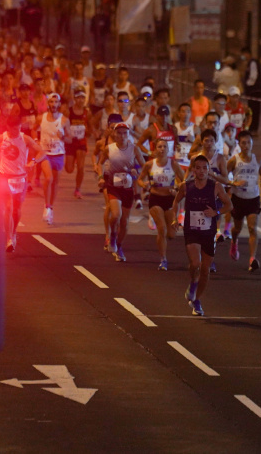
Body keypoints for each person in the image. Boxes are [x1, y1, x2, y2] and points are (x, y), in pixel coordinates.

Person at [172, 155, 233, 316]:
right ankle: (193, 284)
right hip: (191, 230)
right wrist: (175, 218)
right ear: (193, 170)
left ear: (208, 170)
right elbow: (176, 202)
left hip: (208, 232)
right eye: (198, 168)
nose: (201, 171)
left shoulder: (216, 186)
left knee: (205, 270)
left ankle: (197, 300)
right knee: (196, 263)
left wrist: (216, 212)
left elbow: (229, 205)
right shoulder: (186, 186)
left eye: (204, 168)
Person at [0, 111, 44, 252]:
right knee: (8, 207)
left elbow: (42, 152)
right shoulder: (1, 138)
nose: (16, 131)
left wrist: (33, 162)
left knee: (16, 210)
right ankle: (8, 239)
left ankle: (14, 231)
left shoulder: (25, 139)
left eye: (18, 128)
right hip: (4, 176)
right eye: (14, 129)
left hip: (20, 177)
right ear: (8, 127)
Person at [98, 122, 145, 261]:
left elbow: (145, 166)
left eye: (125, 133)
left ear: (128, 134)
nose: (122, 136)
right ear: (114, 134)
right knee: (116, 214)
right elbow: (100, 163)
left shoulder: (134, 149)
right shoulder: (109, 149)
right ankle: (112, 235)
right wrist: (101, 177)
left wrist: (136, 171)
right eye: (119, 133)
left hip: (128, 189)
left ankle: (119, 246)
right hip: (113, 186)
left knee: (124, 222)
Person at [138, 138, 184, 271]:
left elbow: (184, 181)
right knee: (162, 229)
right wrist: (144, 185)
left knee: (171, 234)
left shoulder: (173, 164)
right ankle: (163, 259)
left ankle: (166, 228)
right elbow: (140, 180)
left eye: (164, 146)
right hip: (155, 199)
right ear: (155, 149)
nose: (162, 149)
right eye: (159, 147)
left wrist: (176, 189)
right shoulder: (149, 164)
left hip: (170, 200)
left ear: (168, 149)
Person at [226, 131, 261, 271]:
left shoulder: (257, 160)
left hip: (253, 198)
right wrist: (233, 183)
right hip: (238, 199)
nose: (246, 145)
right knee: (237, 228)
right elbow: (224, 176)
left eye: (249, 142)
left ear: (252, 143)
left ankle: (252, 259)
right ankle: (234, 241)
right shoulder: (234, 160)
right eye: (243, 143)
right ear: (239, 144)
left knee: (252, 228)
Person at [38, 93, 69, 225]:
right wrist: (35, 141)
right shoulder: (41, 118)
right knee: (48, 178)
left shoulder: (64, 120)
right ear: (48, 104)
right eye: (51, 102)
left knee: (55, 182)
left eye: (56, 102)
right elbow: (34, 130)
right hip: (45, 154)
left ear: (59, 104)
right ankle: (46, 205)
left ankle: (50, 208)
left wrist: (62, 137)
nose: (54, 105)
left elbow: (70, 138)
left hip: (59, 154)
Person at [64, 89, 90, 198]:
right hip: (70, 142)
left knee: (81, 167)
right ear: (74, 99)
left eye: (83, 98)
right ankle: (72, 160)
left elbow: (90, 126)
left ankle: (77, 189)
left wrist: (89, 131)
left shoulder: (87, 112)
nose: (81, 100)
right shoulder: (68, 111)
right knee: (69, 170)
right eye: (79, 97)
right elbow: (63, 125)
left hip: (81, 142)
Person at [240, 47, 261, 134]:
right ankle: (253, 128)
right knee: (253, 109)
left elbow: (253, 76)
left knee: (254, 110)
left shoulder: (253, 63)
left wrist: (247, 85)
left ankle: (253, 128)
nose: (243, 56)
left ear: (247, 53)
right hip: (253, 91)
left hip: (254, 91)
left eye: (243, 54)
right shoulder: (249, 63)